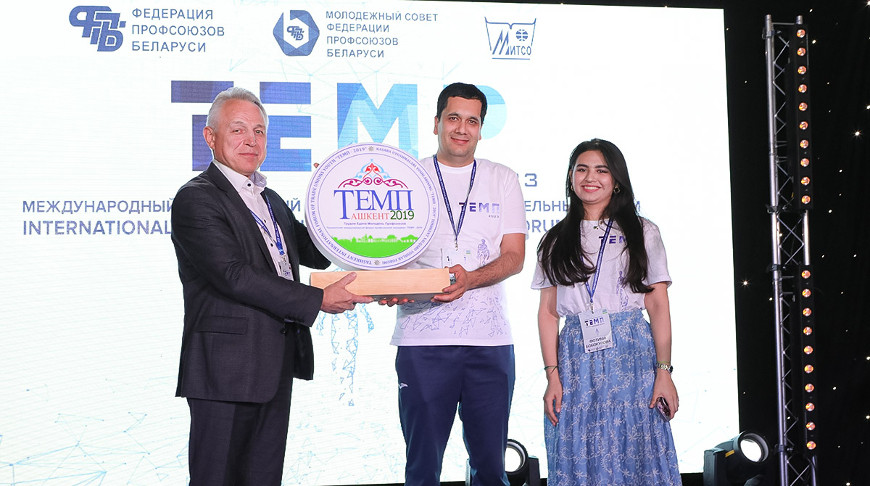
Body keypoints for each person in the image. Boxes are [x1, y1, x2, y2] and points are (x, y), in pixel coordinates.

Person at [170, 86, 372, 486]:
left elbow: (316, 253)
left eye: (259, 131)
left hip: (273, 365)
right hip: (225, 370)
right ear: (210, 137)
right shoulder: (197, 198)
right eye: (238, 129)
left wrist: (332, 195)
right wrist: (318, 299)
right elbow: (233, 275)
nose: (251, 140)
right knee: (217, 478)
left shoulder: (270, 199)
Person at [385, 82, 527, 485]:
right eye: (453, 118)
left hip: (490, 343)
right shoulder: (406, 178)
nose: (462, 129)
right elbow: (385, 252)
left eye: (472, 121)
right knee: (422, 469)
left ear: (481, 128)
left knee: (491, 469)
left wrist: (471, 279)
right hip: (422, 342)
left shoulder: (503, 179)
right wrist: (390, 284)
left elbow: (514, 256)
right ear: (436, 123)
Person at [533, 138, 681, 485]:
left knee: (637, 446)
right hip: (576, 360)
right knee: (579, 445)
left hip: (632, 356)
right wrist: (552, 376)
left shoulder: (642, 231)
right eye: (582, 169)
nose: (590, 177)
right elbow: (548, 313)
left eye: (601, 170)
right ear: (571, 177)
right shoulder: (555, 240)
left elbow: (658, 304)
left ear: (616, 180)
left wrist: (664, 371)